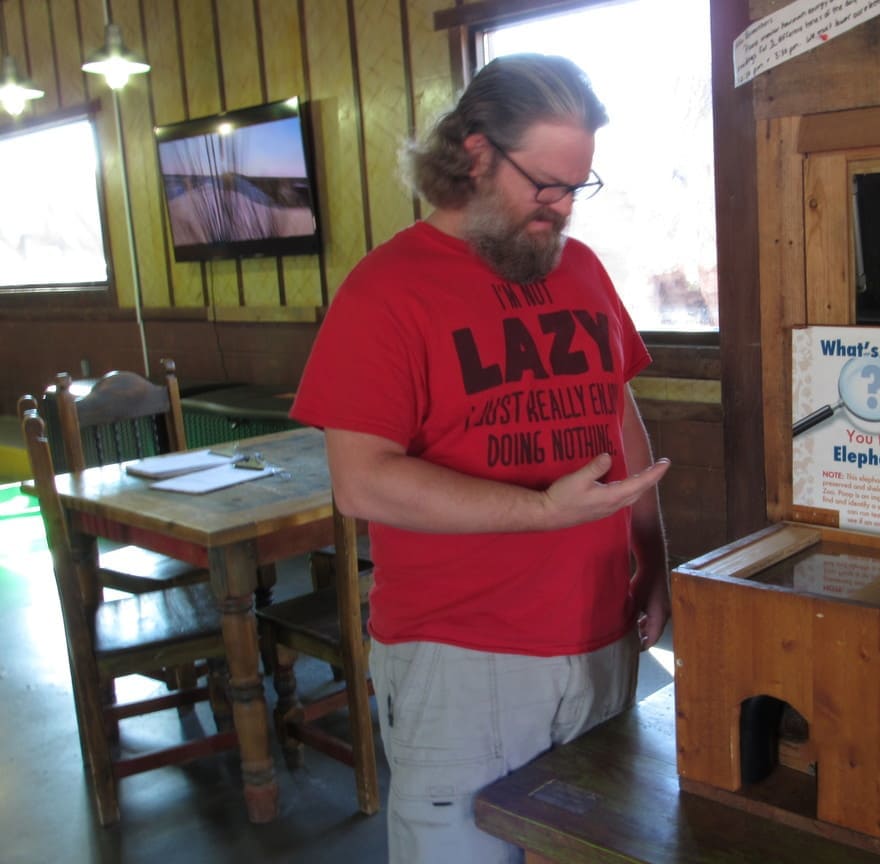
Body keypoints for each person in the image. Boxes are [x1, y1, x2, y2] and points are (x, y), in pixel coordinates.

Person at [290, 53, 670, 862]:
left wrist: (654, 560)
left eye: (579, 186)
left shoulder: (582, 269)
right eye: (546, 185)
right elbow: (362, 481)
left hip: (602, 635)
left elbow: (618, 415)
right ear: (473, 153)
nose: (564, 207)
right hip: (462, 659)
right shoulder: (386, 290)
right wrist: (539, 511)